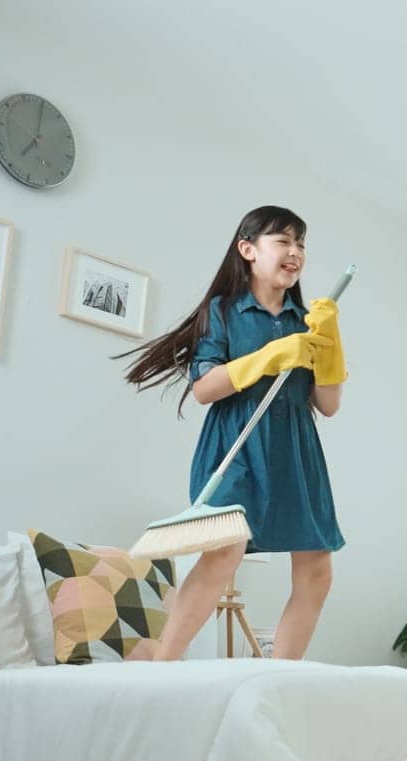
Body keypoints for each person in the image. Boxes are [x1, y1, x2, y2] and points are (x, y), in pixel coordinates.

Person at [120, 205, 348, 661]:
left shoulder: (308, 320)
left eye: (300, 244)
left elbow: (328, 404)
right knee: (225, 554)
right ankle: (160, 663)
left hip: (295, 452)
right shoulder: (222, 312)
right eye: (282, 241)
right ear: (248, 250)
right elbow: (205, 389)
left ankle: (279, 676)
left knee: (317, 569)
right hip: (236, 446)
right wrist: (272, 355)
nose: (295, 252)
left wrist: (330, 344)